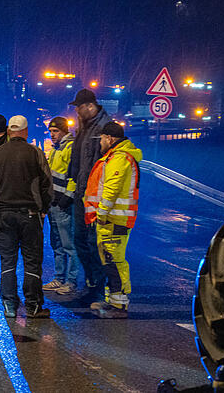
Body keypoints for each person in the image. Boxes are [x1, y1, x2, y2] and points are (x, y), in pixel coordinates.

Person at [0, 115, 53, 318]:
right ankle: (33, 306)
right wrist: (44, 208)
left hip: (3, 215)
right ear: (25, 131)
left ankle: (9, 305)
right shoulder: (35, 153)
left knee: (7, 260)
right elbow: (46, 184)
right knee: (31, 261)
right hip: (30, 215)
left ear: (9, 131)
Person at [85, 122, 141, 319]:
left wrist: (100, 213)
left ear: (109, 138)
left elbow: (111, 189)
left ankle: (119, 305)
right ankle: (113, 301)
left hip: (114, 219)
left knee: (114, 261)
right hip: (112, 219)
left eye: (101, 138)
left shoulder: (119, 159)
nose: (100, 142)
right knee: (110, 260)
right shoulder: (116, 157)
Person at [67, 88, 111, 303]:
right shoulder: (84, 127)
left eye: (79, 107)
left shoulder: (103, 128)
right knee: (80, 240)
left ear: (90, 106)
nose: (76, 111)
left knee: (94, 244)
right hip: (81, 193)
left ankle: (98, 288)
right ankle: (91, 283)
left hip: (95, 196)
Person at [42, 117, 80, 295]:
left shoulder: (70, 148)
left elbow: (75, 175)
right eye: (50, 131)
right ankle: (59, 278)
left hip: (63, 203)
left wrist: (67, 197)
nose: (52, 135)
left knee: (69, 244)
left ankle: (71, 281)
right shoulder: (56, 149)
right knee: (56, 242)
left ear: (64, 131)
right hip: (54, 202)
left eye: (55, 131)